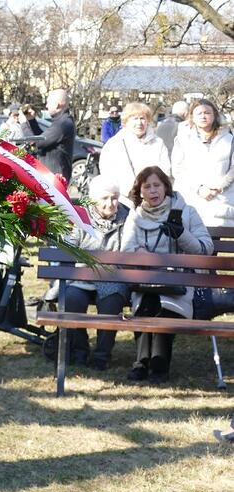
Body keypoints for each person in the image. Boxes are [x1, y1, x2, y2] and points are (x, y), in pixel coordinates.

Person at [121, 166, 213, 384]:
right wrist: (139, 254)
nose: (153, 191)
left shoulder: (186, 211)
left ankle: (159, 367)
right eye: (147, 187)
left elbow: (206, 248)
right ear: (140, 191)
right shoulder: (134, 217)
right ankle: (141, 364)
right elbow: (125, 252)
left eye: (157, 185)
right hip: (147, 282)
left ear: (166, 188)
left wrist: (181, 234)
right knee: (145, 305)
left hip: (180, 282)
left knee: (165, 307)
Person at [62, 176, 129, 370]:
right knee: (72, 299)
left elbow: (128, 251)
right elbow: (68, 248)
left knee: (112, 301)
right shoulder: (80, 217)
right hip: (82, 277)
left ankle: (102, 356)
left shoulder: (128, 217)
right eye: (105, 198)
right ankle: (80, 351)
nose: (111, 203)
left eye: (114, 198)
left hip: (113, 278)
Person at [171, 99, 234, 228]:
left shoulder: (229, 139)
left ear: (214, 115)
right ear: (192, 117)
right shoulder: (183, 139)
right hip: (191, 200)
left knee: (214, 243)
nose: (203, 116)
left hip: (220, 201)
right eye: (199, 113)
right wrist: (199, 188)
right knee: (190, 245)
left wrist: (219, 186)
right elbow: (178, 169)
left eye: (207, 112)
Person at [98, 102, 171, 204]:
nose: (139, 123)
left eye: (142, 118)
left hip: (153, 199)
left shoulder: (158, 143)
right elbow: (107, 172)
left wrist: (154, 189)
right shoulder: (115, 143)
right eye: (135, 119)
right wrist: (128, 190)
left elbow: (165, 170)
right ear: (126, 122)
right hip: (125, 200)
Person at [34, 88, 76, 182]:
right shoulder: (62, 121)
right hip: (52, 175)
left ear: (57, 105)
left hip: (54, 178)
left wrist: (24, 123)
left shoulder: (63, 124)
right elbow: (43, 137)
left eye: (48, 102)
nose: (46, 105)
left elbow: (39, 142)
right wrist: (31, 121)